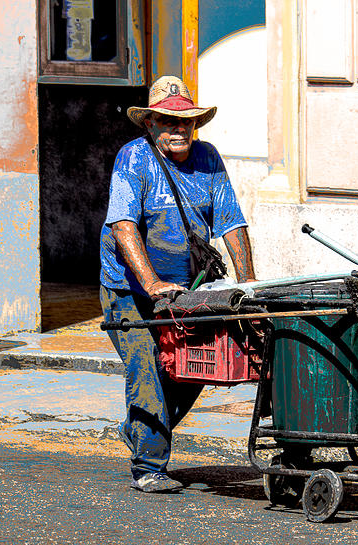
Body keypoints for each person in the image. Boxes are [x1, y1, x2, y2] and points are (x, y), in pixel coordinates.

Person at [99, 76, 256, 492]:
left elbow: (232, 222)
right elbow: (123, 226)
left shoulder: (208, 159)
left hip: (186, 289)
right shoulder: (133, 159)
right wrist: (150, 282)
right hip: (127, 289)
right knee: (148, 363)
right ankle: (149, 466)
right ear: (149, 124)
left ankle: (140, 428)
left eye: (185, 122)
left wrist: (251, 284)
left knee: (194, 367)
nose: (178, 129)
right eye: (168, 121)